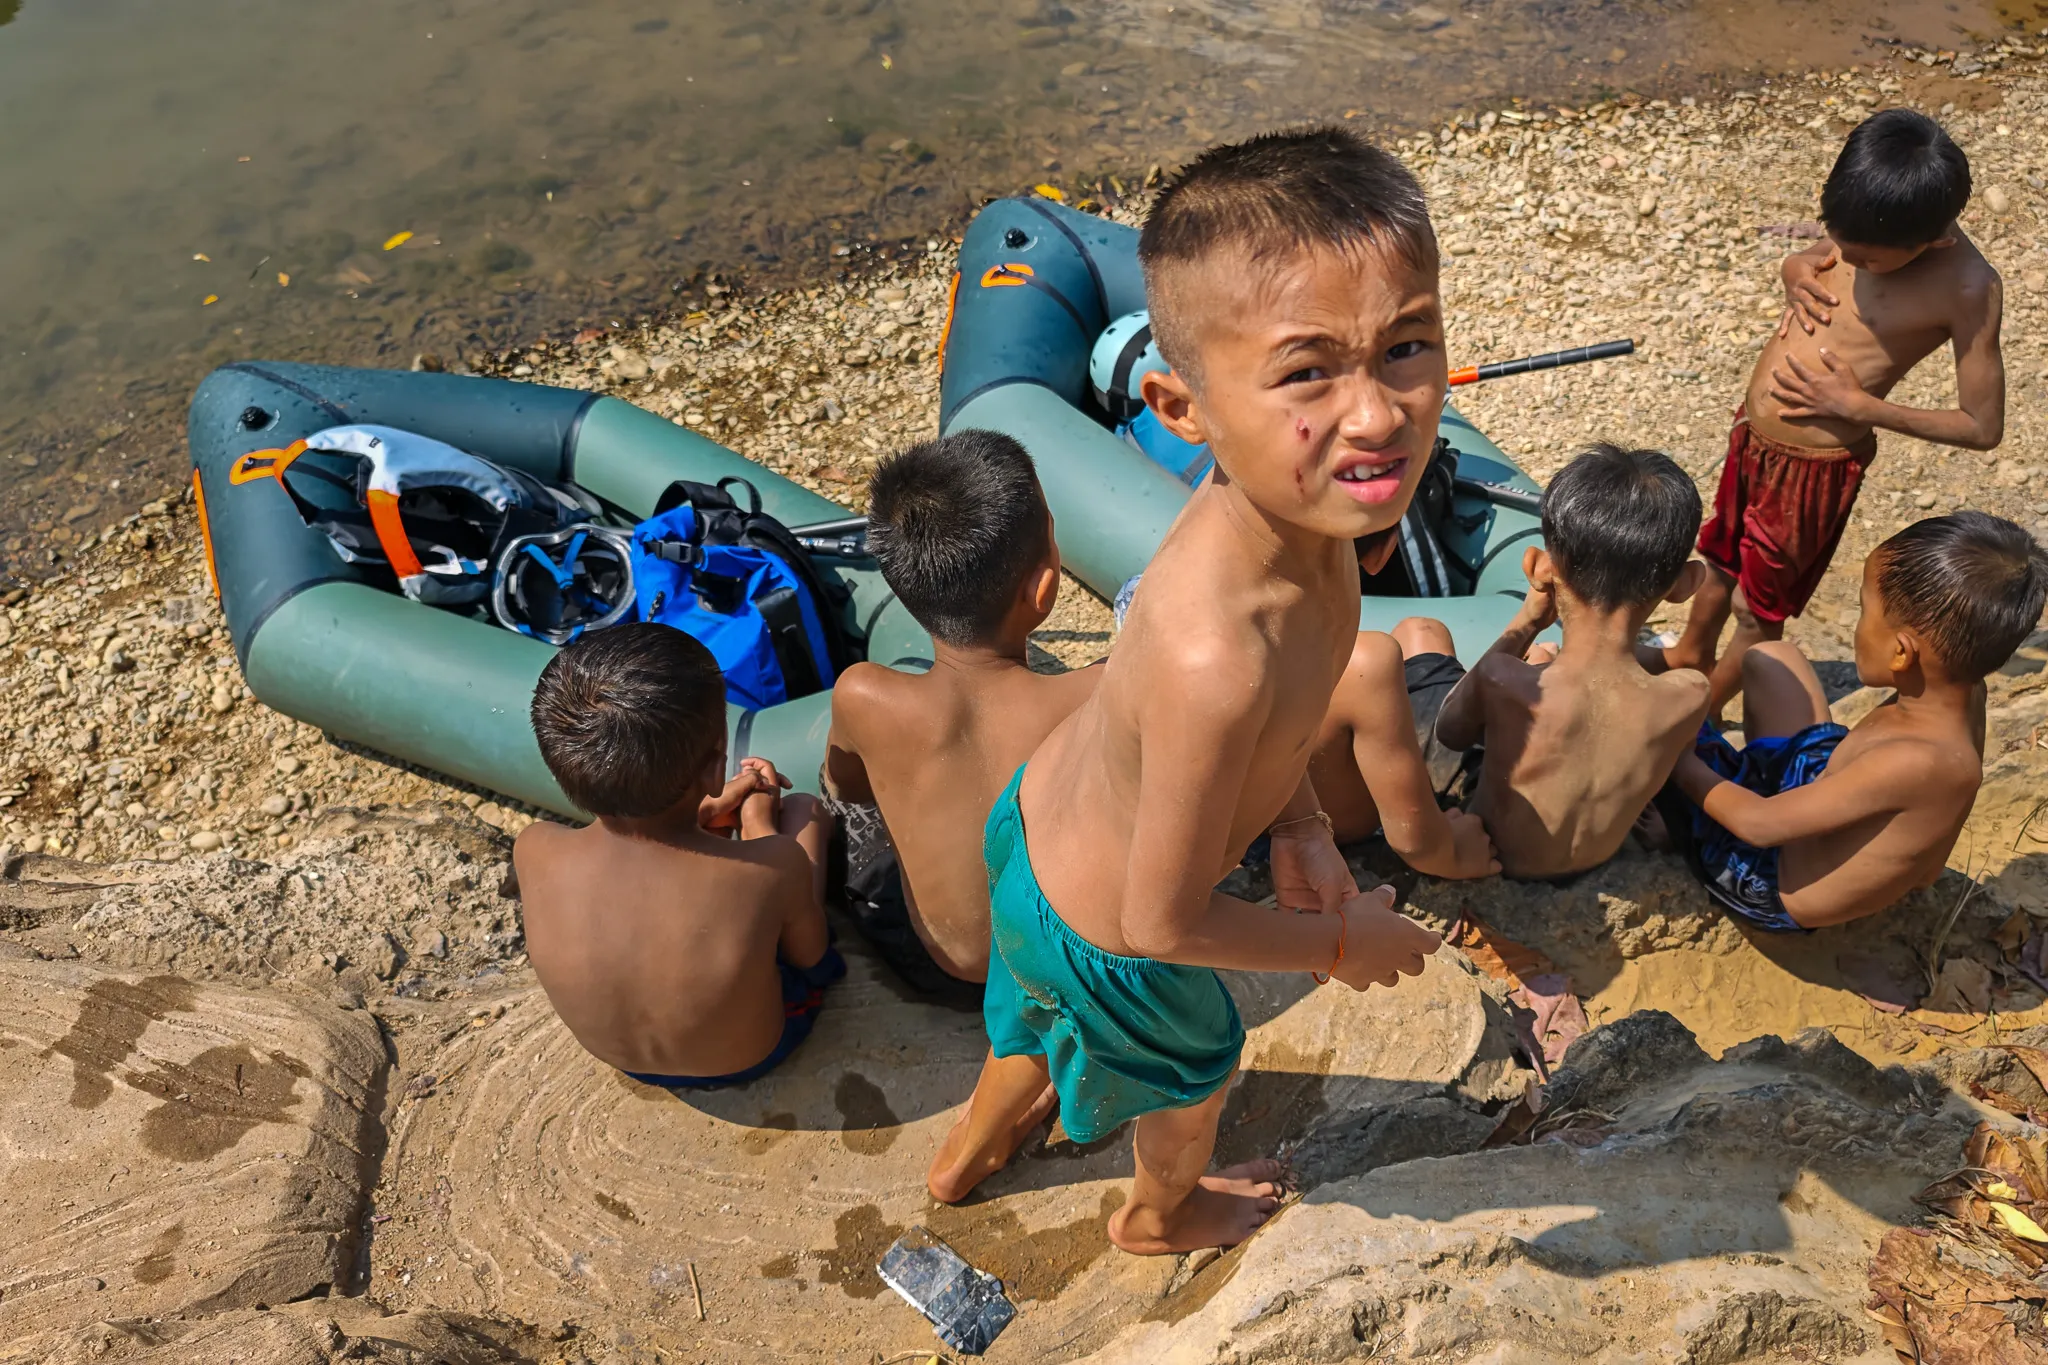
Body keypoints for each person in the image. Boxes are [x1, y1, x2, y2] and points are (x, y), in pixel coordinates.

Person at [927, 128, 1446, 1253]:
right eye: (1308, 370)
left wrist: (1302, 824)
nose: (1374, 413)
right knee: (1192, 1077)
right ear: (1179, 408)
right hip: (1112, 930)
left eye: (1405, 346)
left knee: (1028, 1024)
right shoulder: (1217, 653)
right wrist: (1342, 944)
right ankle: (1159, 1213)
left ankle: (962, 1157)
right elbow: (1159, 922)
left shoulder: (1307, 531)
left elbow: (1292, 712)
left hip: (1035, 837)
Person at [1659, 109, 2005, 715]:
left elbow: (1982, 426)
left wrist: (1859, 405)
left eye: (1865, 260)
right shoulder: (1871, 223)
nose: (1848, 260)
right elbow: (1815, 259)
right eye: (1841, 244)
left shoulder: (1968, 287)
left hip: (1812, 468)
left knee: (1757, 607)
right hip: (1753, 436)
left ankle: (1696, 716)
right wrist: (1793, 271)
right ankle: (1690, 652)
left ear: (1936, 241)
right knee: (1718, 555)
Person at [1660, 512, 2046, 930]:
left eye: (1863, 611)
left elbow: (1759, 825)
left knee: (1662, 726)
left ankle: (1673, 829)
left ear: (1901, 653)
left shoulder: (1921, 763)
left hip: (1766, 876)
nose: (1858, 626)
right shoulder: (1965, 694)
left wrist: (1680, 764)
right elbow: (1930, 862)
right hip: (1816, 793)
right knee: (1773, 658)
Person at [824, 430, 1098, 1009]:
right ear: (1044, 586)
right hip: (1069, 970)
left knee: (840, 816)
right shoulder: (1095, 695)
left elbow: (845, 788)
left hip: (940, 970)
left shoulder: (863, 695)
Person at [514, 623, 842, 1089]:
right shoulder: (774, 868)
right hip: (751, 1054)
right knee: (806, 812)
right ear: (714, 768)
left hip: (627, 1060)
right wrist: (760, 827)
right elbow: (812, 958)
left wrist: (707, 806)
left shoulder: (534, 848)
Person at [1371, 444, 1710, 880]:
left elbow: (1450, 732)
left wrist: (1528, 621)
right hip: (1590, 861)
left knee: (1422, 633)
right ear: (1686, 584)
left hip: (1498, 856)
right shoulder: (1690, 694)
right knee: (1548, 660)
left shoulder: (1503, 678)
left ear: (1538, 567)